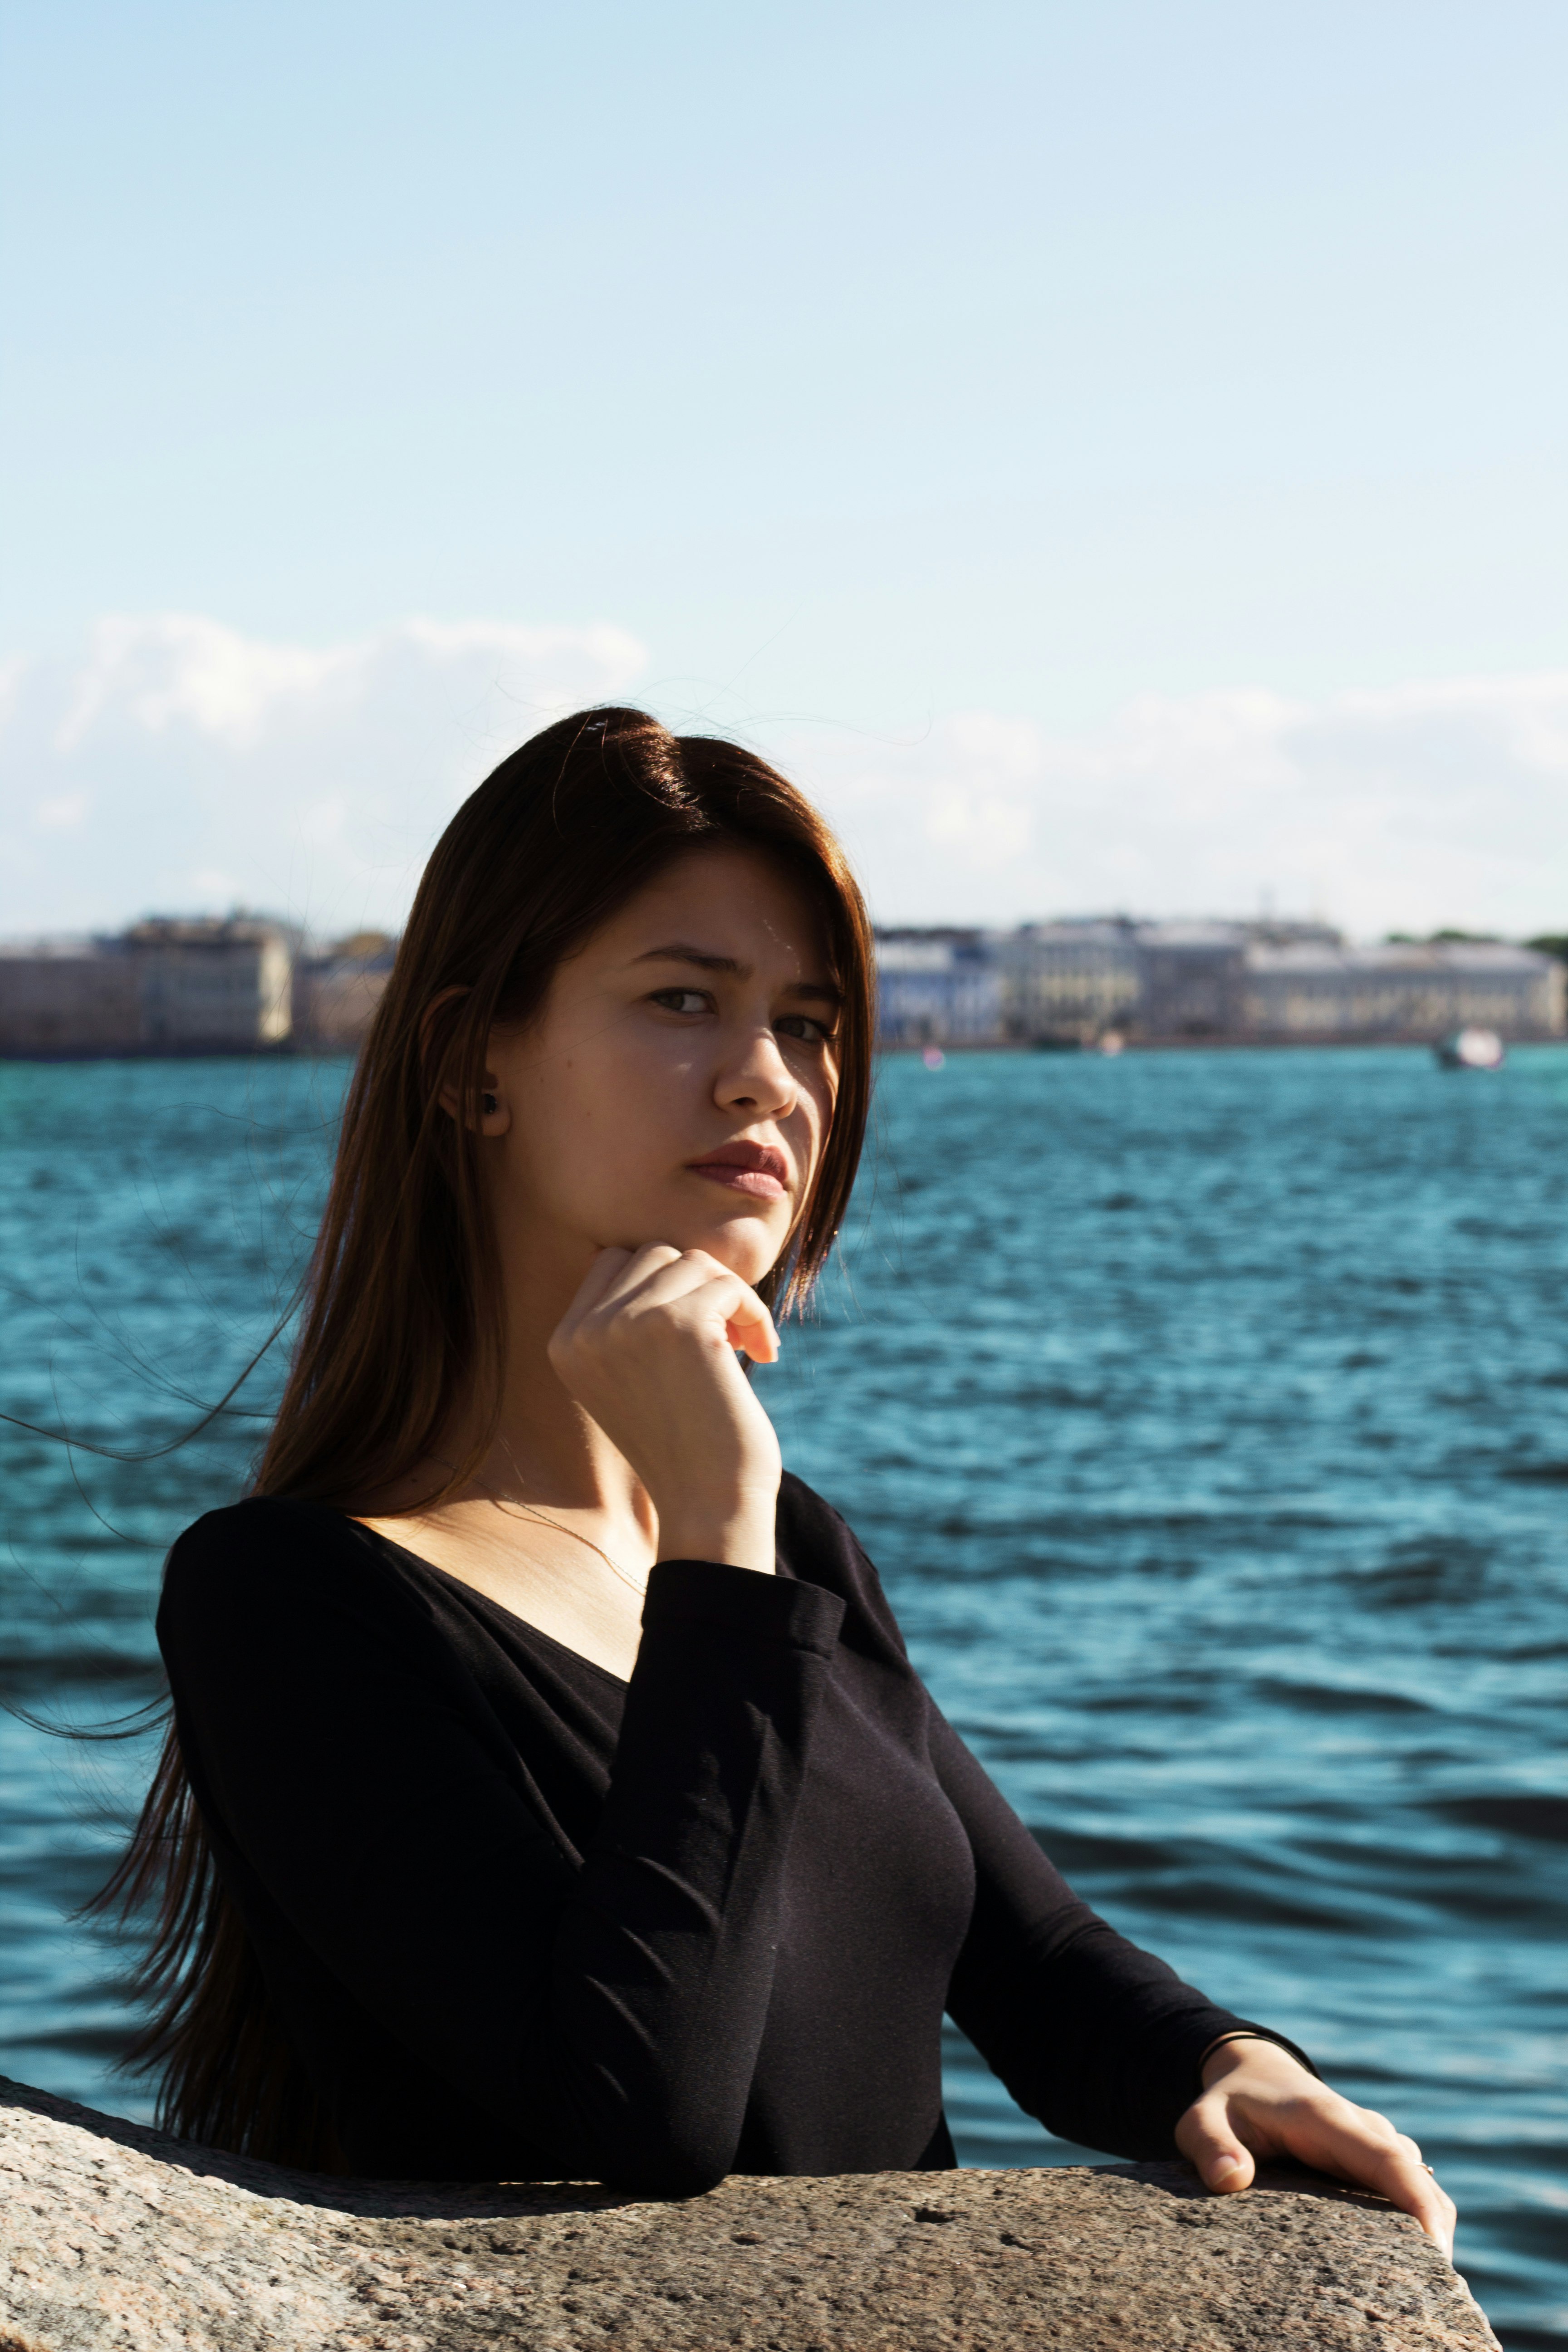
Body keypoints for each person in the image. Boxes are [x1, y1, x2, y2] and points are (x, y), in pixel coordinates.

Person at [117, 707, 1455, 2255]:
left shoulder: (789, 1549)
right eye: (685, 999)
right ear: (469, 1063)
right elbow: (636, 2108)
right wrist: (716, 1525)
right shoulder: (288, 1594)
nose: (772, 1081)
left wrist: (1223, 2060)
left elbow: (1032, 1953)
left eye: (810, 1023)